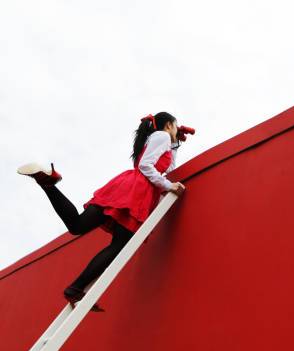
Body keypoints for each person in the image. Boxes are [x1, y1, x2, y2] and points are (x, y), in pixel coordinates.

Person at [17, 112, 187, 312]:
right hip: (137, 192)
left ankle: (48, 183)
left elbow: (166, 166)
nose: (177, 130)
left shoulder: (159, 138)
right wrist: (168, 185)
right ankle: (75, 288)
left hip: (129, 187)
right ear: (168, 125)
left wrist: (176, 144)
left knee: (78, 226)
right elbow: (146, 166)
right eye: (175, 126)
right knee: (119, 245)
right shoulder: (163, 136)